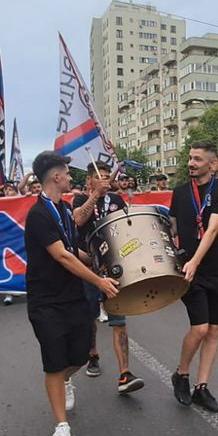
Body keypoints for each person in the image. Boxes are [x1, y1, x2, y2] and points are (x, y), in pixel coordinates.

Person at [24, 151, 120, 436]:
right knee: (53, 361)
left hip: (72, 297)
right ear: (54, 176)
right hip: (46, 301)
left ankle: (65, 379)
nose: (70, 177)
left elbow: (72, 248)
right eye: (66, 173)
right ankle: (61, 427)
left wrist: (97, 262)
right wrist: (98, 280)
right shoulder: (38, 214)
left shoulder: (63, 209)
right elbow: (61, 256)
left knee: (79, 355)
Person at [169, 142, 218, 413]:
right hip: (189, 269)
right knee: (200, 328)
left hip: (215, 269)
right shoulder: (180, 192)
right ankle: (181, 374)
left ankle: (202, 386)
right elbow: (172, 228)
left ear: (214, 164)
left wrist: (198, 261)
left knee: (214, 330)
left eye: (197, 159)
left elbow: (212, 229)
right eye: (189, 158)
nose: (191, 163)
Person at [72, 162, 146, 394]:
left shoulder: (117, 200)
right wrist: (95, 194)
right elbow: (78, 220)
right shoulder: (79, 200)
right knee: (90, 317)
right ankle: (93, 354)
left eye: (106, 176)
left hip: (114, 268)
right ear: (89, 181)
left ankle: (125, 373)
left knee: (118, 320)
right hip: (89, 268)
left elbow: (126, 228)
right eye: (99, 177)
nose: (104, 179)